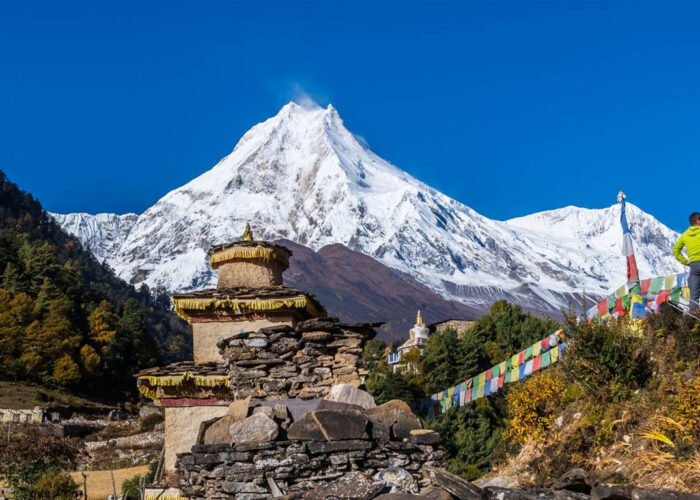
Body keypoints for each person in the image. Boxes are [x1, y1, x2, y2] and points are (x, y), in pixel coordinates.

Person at [673, 212, 700, 308]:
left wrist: (685, 262)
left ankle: (694, 310)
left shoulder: (685, 235)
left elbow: (675, 250)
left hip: (694, 266)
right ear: (698, 221)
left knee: (694, 289)